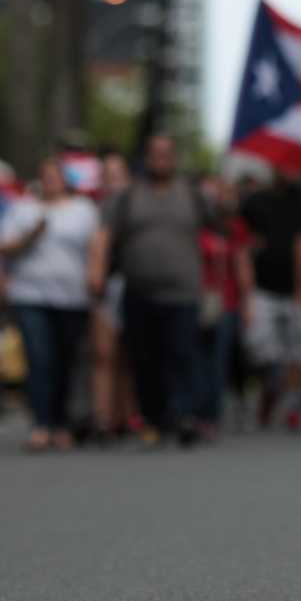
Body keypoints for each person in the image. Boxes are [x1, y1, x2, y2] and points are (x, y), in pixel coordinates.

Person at [88, 134, 207, 446]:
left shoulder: (192, 194)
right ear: (146, 158)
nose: (161, 160)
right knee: (145, 360)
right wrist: (97, 272)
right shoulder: (128, 197)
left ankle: (182, 417)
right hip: (139, 291)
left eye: (167, 154)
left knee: (181, 355)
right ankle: (152, 420)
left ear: (175, 158)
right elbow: (105, 234)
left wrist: (227, 201)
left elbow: (222, 224)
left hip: (183, 292)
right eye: (155, 154)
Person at [0, 157, 98, 451]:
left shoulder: (84, 210)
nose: (51, 181)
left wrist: (96, 281)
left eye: (56, 175)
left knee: (65, 363)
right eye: (46, 175)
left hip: (72, 298)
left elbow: (96, 248)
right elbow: (3, 247)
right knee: (39, 359)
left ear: (65, 180)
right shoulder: (23, 208)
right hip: (31, 295)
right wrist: (32, 235)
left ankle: (61, 423)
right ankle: (41, 424)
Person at [239, 169, 301, 430]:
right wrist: (247, 292)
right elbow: (243, 245)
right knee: (261, 351)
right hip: (263, 290)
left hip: (294, 292)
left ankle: (292, 406)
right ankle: (269, 393)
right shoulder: (254, 202)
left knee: (298, 352)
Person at [197, 177, 253, 439]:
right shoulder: (198, 227)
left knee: (218, 359)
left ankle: (211, 414)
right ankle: (194, 409)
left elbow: (243, 265)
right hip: (199, 300)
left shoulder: (236, 228)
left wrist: (246, 303)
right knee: (197, 358)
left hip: (227, 302)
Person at [88, 150, 135, 440]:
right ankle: (102, 418)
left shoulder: (139, 207)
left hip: (134, 284)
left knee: (129, 355)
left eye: (117, 174)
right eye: (107, 175)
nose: (112, 181)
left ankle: (127, 416)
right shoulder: (92, 209)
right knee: (104, 354)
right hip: (105, 285)